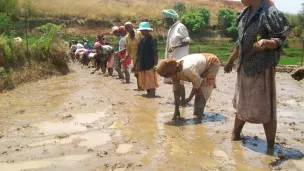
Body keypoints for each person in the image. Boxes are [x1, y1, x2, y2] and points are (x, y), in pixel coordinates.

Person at [224, 0, 289, 149]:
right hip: (245, 66)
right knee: (242, 104)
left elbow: (280, 40)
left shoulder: (270, 12)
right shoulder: (244, 13)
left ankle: (271, 146)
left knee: (266, 108)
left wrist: (266, 42)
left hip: (261, 67)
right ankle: (235, 135)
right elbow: (239, 42)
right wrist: (230, 61)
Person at [156, 53, 220, 120]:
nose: (166, 77)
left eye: (165, 75)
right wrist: (176, 110)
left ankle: (199, 120)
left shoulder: (187, 69)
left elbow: (197, 83)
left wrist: (189, 99)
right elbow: (176, 90)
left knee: (203, 92)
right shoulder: (174, 70)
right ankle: (197, 113)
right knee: (196, 111)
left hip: (211, 62)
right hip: (199, 63)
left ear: (169, 71)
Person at [162, 9, 190, 101]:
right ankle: (178, 100)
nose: (166, 21)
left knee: (180, 81)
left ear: (173, 19)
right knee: (175, 80)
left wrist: (175, 47)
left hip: (180, 59)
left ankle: (182, 100)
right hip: (172, 59)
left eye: (168, 20)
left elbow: (187, 41)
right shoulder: (171, 28)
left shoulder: (180, 27)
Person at [136, 22, 159, 98]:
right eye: (141, 30)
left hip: (150, 64)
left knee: (151, 81)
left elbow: (155, 53)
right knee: (145, 80)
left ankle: (152, 95)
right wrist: (137, 65)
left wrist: (155, 65)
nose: (142, 32)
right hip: (142, 63)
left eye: (144, 30)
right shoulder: (141, 41)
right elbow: (138, 54)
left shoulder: (152, 40)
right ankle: (148, 93)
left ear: (148, 30)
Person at [123, 21, 143, 90]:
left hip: (142, 56)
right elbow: (128, 49)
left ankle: (142, 86)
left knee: (142, 72)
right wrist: (125, 58)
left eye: (129, 27)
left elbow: (144, 43)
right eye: (126, 28)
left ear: (132, 26)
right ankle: (140, 87)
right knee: (136, 73)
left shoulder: (139, 33)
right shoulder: (127, 37)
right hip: (134, 57)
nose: (127, 28)